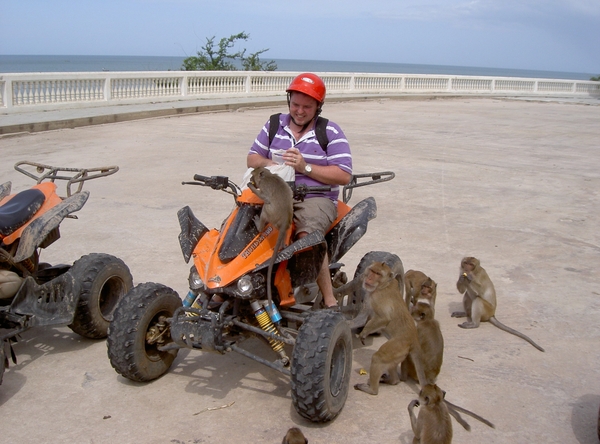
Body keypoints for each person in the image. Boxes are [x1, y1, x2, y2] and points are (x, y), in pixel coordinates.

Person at [247, 73, 352, 309]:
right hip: (275, 195)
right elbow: (252, 158)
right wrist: (272, 165)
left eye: (307, 106)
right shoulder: (274, 124)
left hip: (315, 197)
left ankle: (329, 297)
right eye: (295, 104)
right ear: (289, 102)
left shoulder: (330, 132)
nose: (300, 111)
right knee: (238, 227)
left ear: (318, 107)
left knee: (309, 237)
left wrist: (306, 167)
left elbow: (344, 174)